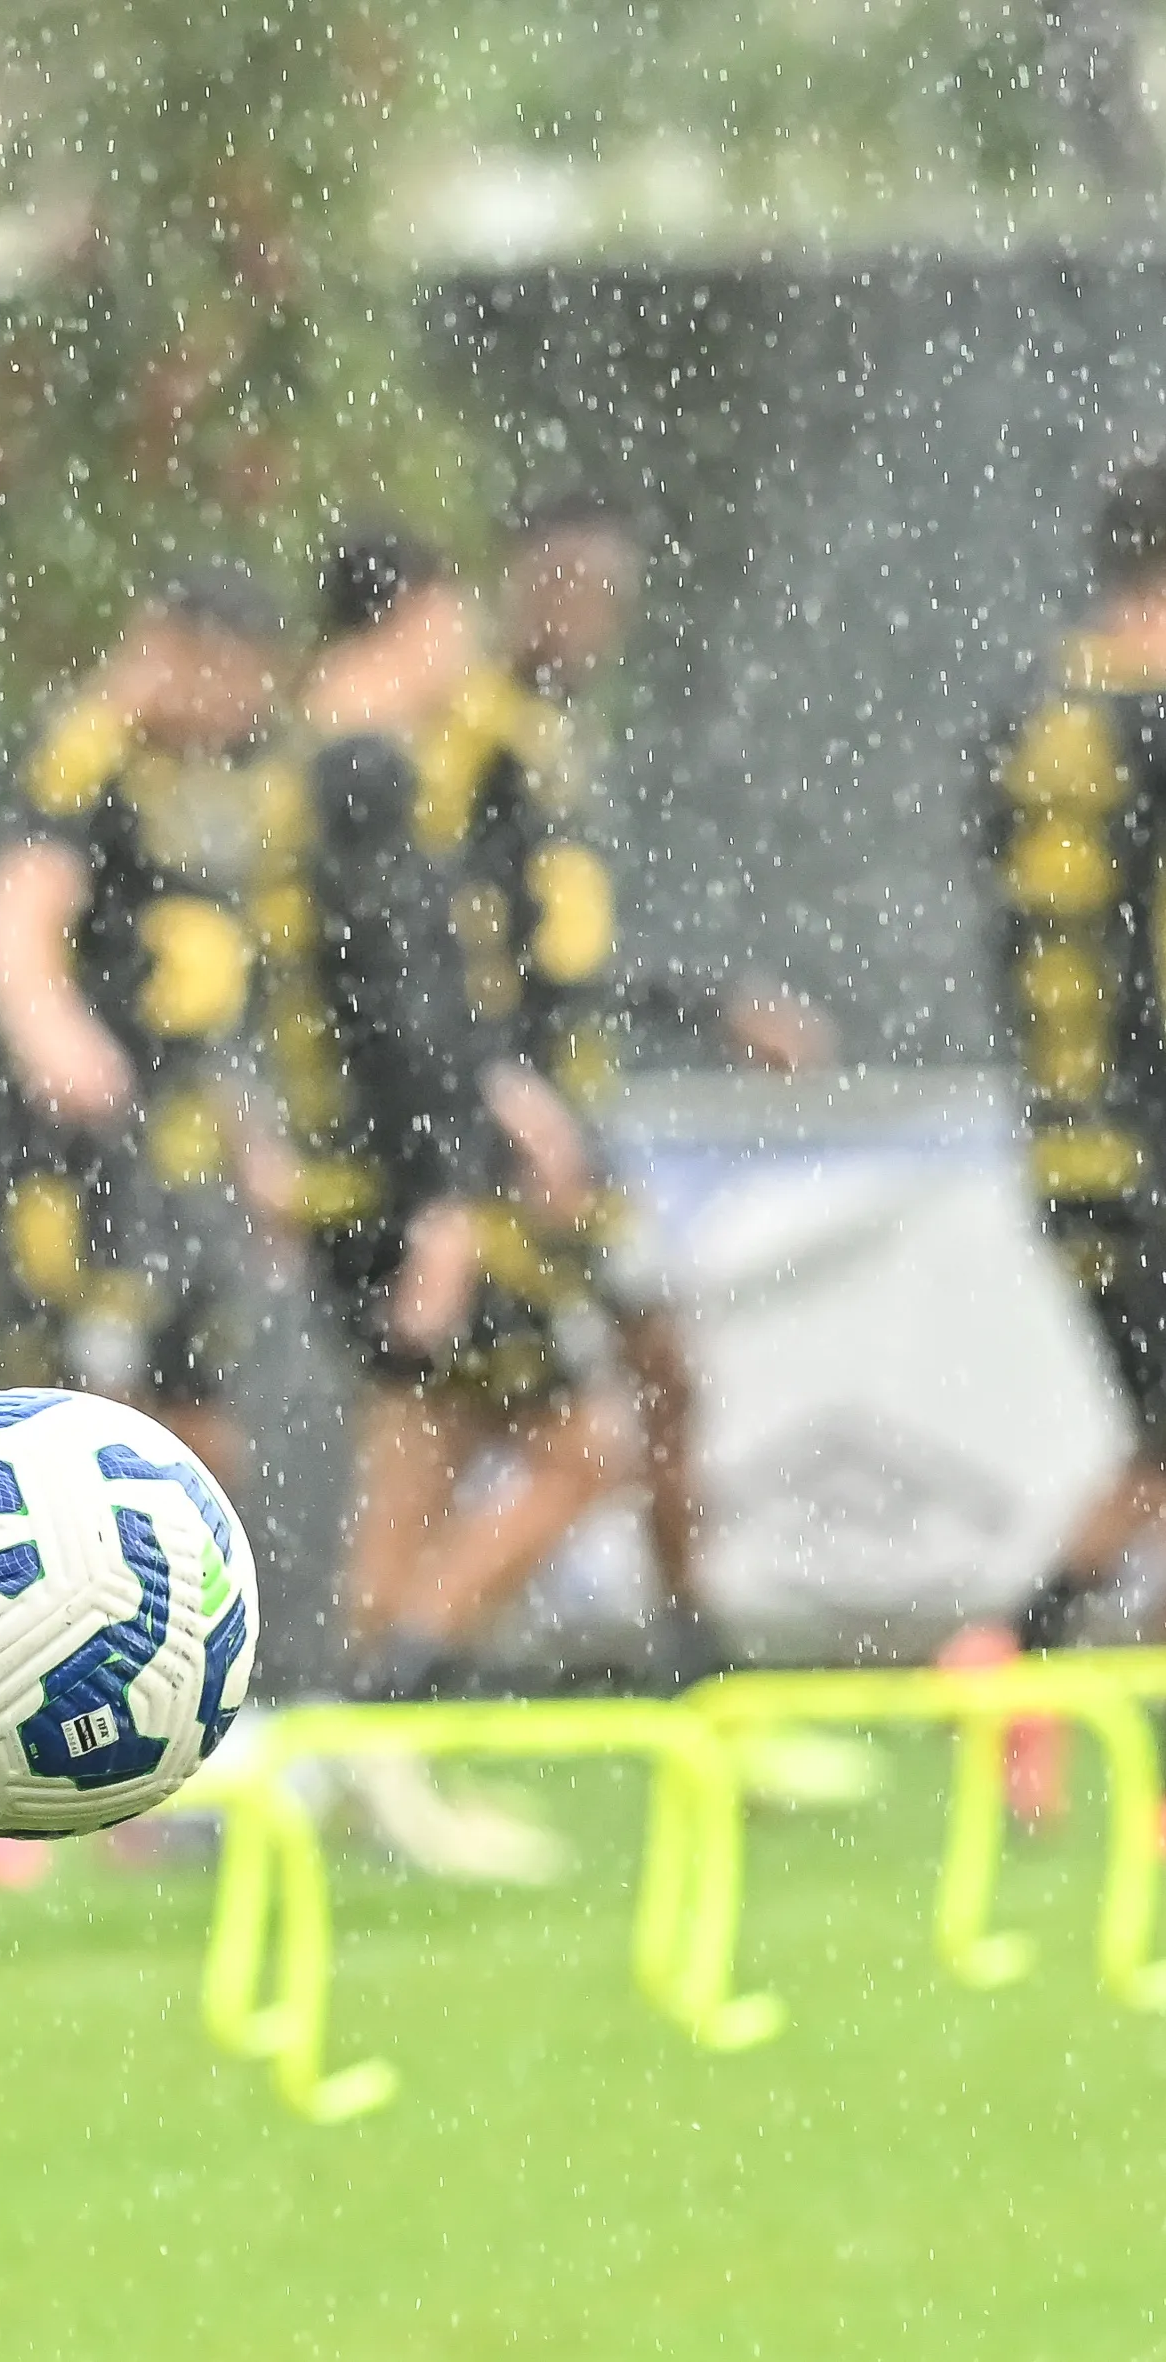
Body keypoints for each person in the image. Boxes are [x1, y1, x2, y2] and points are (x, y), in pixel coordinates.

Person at [438, 493, 831, 1684]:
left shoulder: (551, 732)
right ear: (522, 585)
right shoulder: (470, 735)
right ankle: (403, 1677)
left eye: (611, 596)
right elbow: (435, 943)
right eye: (574, 589)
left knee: (659, 1375)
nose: (594, 617)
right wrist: (496, 1091)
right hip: (502, 1135)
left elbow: (568, 959)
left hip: (569, 1120)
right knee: (477, 1421)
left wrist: (711, 1005)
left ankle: (688, 1658)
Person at [252, 528, 624, 1702]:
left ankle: (371, 1749)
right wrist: (449, 1205)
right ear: (408, 614)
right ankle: (380, 1705)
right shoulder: (368, 772)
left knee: (414, 1457)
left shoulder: (300, 765)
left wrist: (498, 1099)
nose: (464, 652)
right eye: (453, 621)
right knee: (581, 1452)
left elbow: (367, 990)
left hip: (356, 1175)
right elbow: (396, 998)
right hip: (403, 1188)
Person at [0, 571, 285, 1486]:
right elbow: (12, 910)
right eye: (227, 675)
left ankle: (184, 1572)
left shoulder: (228, 778)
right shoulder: (91, 749)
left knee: (198, 1408)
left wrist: (251, 1138)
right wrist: (49, 1027)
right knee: (81, 1399)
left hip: (182, 1137)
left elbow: (221, 989)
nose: (241, 704)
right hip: (84, 1136)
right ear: (171, 654)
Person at [974, 453, 1166, 1657]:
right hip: (1146, 1139)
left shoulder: (1031, 714)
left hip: (1069, 1135)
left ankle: (1021, 1657)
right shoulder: (1151, 721)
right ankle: (1007, 1656)